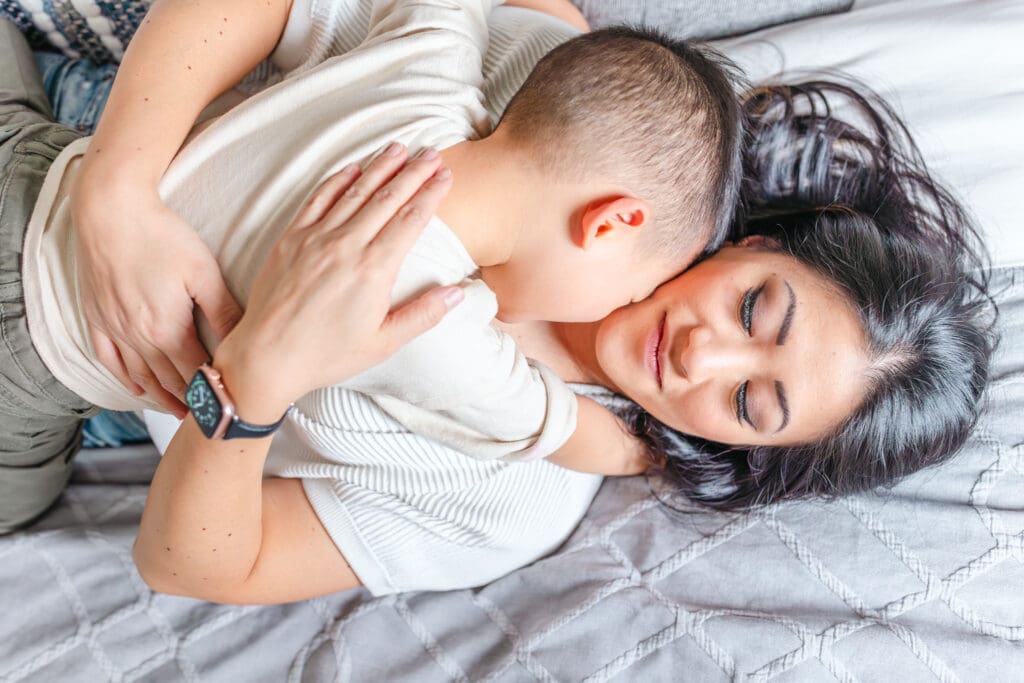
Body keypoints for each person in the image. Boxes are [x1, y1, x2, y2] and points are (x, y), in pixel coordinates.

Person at [11, 0, 745, 502]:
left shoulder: (428, 57)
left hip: (38, 169)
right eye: (629, 287)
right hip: (33, 353)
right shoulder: (422, 313)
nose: (619, 307)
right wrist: (646, 454)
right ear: (609, 224)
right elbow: (553, 426)